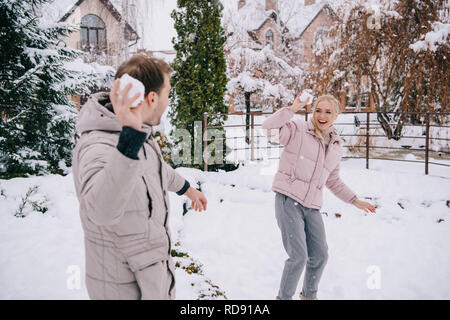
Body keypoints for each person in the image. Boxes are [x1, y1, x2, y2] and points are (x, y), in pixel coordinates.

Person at [72, 55, 207, 300]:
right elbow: (100, 211)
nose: (168, 102)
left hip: (149, 280)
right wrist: (130, 139)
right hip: (120, 287)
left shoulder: (138, 137)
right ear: (152, 98)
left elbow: (155, 170)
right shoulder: (98, 144)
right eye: (167, 94)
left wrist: (188, 189)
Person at [262, 93, 376, 300]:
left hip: (312, 205)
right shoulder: (297, 129)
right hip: (288, 199)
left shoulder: (335, 146)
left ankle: (309, 296)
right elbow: (269, 128)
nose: (321, 116)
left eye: (328, 112)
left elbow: (332, 180)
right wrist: (293, 108)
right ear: (312, 111)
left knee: (320, 256)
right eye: (318, 110)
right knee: (298, 257)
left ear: (336, 115)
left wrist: (354, 200)